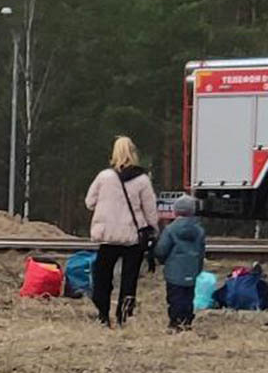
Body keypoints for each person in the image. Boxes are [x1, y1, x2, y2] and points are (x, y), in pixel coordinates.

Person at [85, 135, 158, 327]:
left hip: (107, 236)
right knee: (129, 278)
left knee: (102, 277)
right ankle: (123, 316)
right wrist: (153, 230)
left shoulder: (104, 177)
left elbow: (89, 202)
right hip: (132, 237)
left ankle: (102, 314)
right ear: (134, 153)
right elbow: (150, 210)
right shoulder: (142, 179)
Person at [154, 195, 206, 332]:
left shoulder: (170, 229)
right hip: (192, 270)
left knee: (174, 298)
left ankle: (175, 322)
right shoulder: (199, 230)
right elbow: (201, 252)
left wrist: (160, 260)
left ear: (175, 211)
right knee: (188, 298)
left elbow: (162, 249)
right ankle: (187, 321)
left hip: (174, 271)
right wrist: (198, 268)